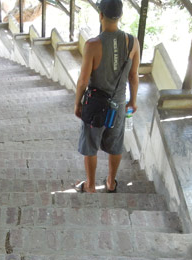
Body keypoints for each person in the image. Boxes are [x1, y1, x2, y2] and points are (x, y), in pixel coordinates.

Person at [73, 0, 140, 193]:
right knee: (116, 144)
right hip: (118, 106)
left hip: (95, 106)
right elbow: (134, 76)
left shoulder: (93, 44)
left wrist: (77, 104)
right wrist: (133, 101)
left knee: (91, 145)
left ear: (100, 15)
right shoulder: (132, 42)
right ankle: (111, 183)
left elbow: (83, 81)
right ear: (120, 16)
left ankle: (90, 185)